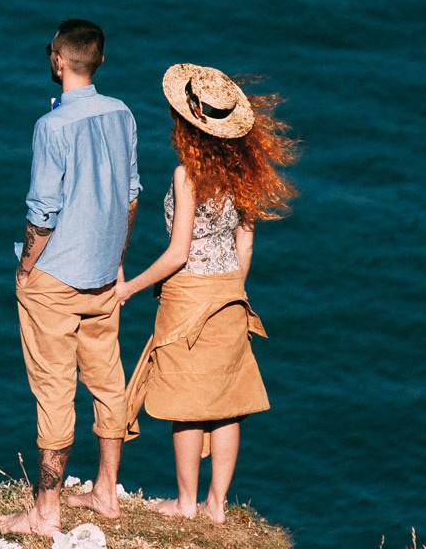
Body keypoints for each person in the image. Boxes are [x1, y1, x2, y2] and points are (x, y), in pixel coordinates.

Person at [116, 64, 297, 524]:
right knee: (227, 399)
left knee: (186, 401)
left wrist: (130, 287)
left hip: (189, 297)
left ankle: (185, 503)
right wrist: (233, 286)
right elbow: (246, 241)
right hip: (231, 293)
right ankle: (216, 505)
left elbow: (178, 253)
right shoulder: (245, 172)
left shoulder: (187, 176)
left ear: (189, 120)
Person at [0, 20, 141, 536]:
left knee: (55, 391)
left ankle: (46, 512)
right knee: (107, 380)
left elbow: (42, 213)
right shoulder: (122, 113)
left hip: (55, 277)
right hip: (103, 273)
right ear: (98, 61)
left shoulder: (51, 127)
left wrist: (26, 267)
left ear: (58, 60)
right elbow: (130, 197)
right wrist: (116, 256)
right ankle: (105, 493)